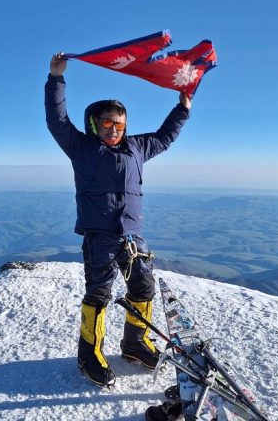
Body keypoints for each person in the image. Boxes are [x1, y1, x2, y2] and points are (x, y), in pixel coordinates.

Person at [45, 52, 192, 387]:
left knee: (143, 286)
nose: (114, 129)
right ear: (94, 124)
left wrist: (182, 109)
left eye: (120, 124)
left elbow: (166, 136)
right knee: (99, 293)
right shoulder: (81, 147)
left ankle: (135, 343)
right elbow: (57, 121)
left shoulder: (138, 148)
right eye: (107, 123)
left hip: (133, 236)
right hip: (100, 236)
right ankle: (88, 353)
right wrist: (56, 79)